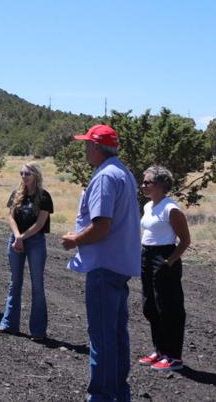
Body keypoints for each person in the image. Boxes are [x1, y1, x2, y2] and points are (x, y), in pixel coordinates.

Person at [61, 124, 140, 402]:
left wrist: (75, 240)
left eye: (87, 145)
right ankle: (119, 393)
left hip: (104, 267)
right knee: (117, 335)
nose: (85, 149)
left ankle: (102, 396)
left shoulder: (106, 177)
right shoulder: (124, 173)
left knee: (102, 338)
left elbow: (101, 226)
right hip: (118, 266)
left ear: (96, 147)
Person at [138, 165, 191, 372]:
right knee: (150, 306)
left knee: (169, 309)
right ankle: (160, 351)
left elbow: (185, 240)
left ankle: (174, 357)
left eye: (147, 182)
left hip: (164, 257)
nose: (143, 185)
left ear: (160, 185)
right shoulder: (148, 206)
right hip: (146, 255)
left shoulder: (171, 209)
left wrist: (168, 262)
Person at [0, 161, 53, 341]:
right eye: (21, 173)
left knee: (37, 285)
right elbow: (11, 217)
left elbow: (40, 224)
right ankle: (9, 324)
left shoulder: (44, 196)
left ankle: (38, 331)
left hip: (34, 241)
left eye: (27, 173)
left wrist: (22, 237)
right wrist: (17, 236)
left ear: (35, 175)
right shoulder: (17, 194)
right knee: (15, 282)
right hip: (16, 240)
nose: (23, 177)